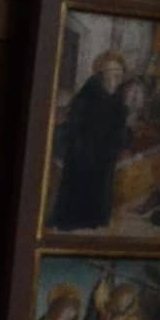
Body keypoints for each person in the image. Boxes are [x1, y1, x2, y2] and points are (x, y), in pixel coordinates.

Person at [46, 48, 133, 235]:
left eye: (119, 72)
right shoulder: (88, 94)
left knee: (99, 201)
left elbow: (118, 128)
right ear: (101, 73)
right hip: (83, 157)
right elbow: (75, 127)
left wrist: (121, 141)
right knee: (78, 203)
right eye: (111, 71)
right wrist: (84, 149)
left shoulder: (118, 98)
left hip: (104, 158)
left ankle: (94, 223)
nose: (116, 76)